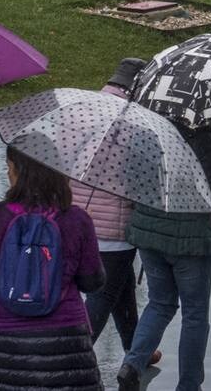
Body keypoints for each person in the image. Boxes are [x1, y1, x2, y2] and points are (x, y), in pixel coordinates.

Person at [0, 147, 104, 391]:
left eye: (9, 167)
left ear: (18, 171)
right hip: (65, 346)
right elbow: (93, 282)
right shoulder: (77, 220)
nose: (8, 173)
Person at [118, 123, 211, 391]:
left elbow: (132, 181)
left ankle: (132, 365)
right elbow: (210, 195)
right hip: (191, 240)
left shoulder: (145, 129)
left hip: (150, 231)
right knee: (195, 315)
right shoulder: (205, 137)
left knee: (160, 303)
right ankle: (188, 385)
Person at [74, 59, 161, 367]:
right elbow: (141, 179)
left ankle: (137, 348)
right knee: (101, 297)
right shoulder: (136, 121)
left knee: (120, 289)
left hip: (80, 222)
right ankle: (72, 357)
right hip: (115, 228)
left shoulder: (83, 110)